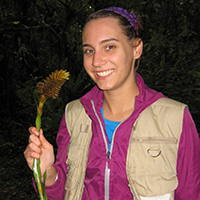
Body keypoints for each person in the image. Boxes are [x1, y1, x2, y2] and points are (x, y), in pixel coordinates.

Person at [24, 7, 200, 200]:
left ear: (136, 49)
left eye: (109, 47)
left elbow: (191, 192)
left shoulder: (174, 118)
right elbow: (63, 192)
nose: (97, 61)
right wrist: (48, 172)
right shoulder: (75, 114)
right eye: (89, 51)